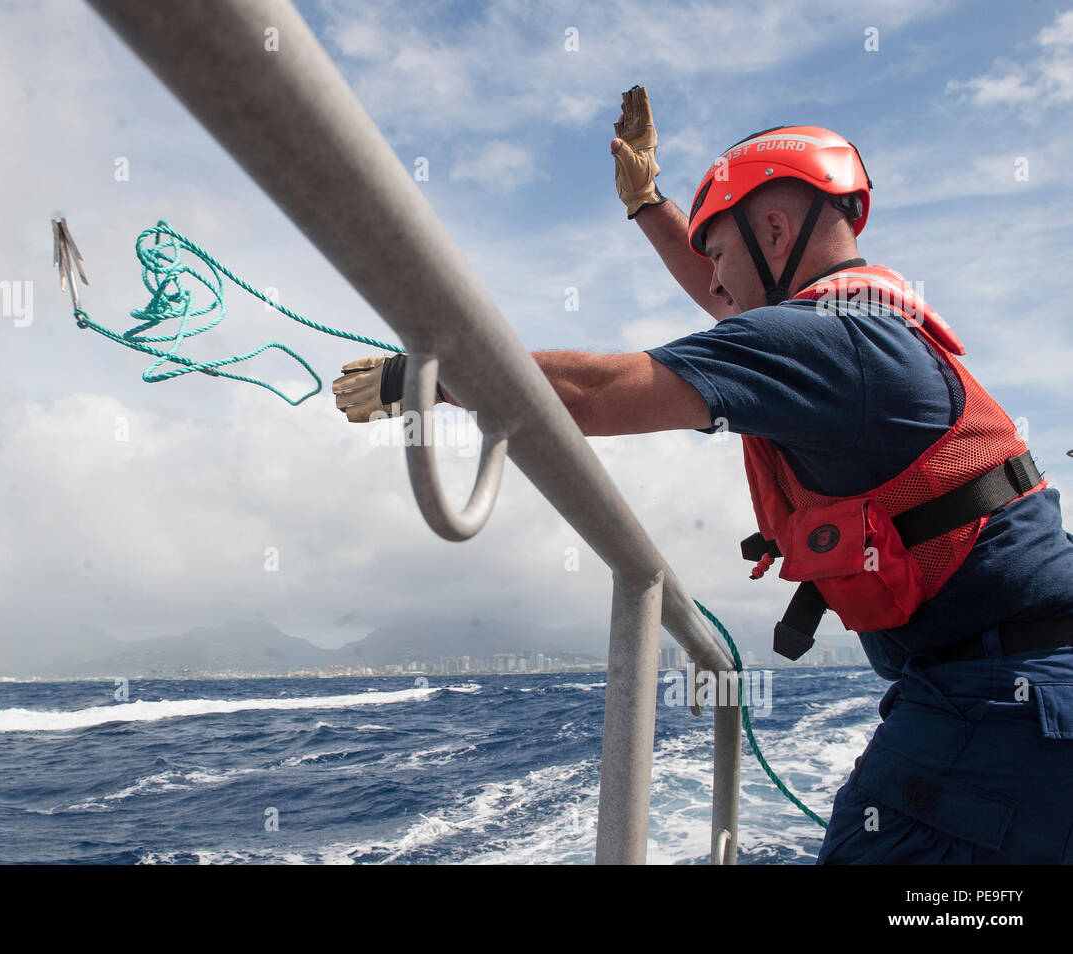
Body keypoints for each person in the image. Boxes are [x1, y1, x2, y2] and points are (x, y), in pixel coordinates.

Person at [332, 87, 1073, 864]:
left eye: (719, 255)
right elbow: (736, 299)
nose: (713, 283)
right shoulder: (857, 324)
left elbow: (599, 391)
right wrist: (649, 204)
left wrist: (428, 377)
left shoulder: (823, 341)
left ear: (778, 231)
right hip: (1022, 688)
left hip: (999, 706)